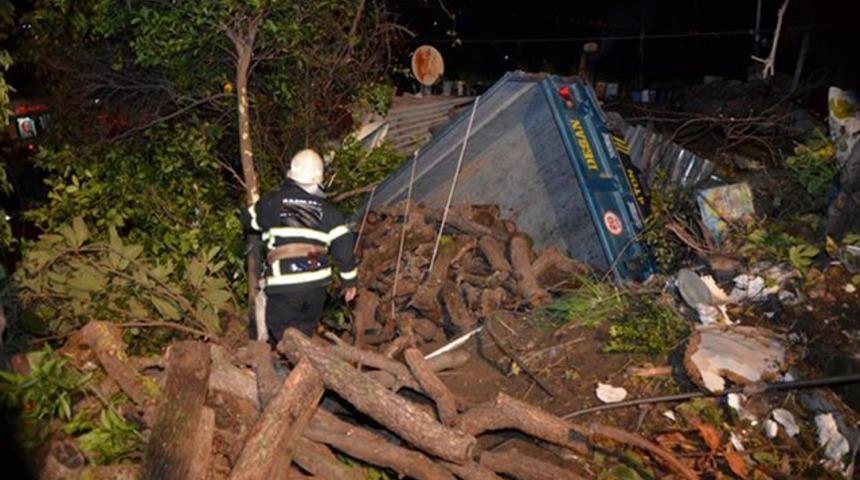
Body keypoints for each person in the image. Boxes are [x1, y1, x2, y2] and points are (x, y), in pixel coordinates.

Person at [241, 149, 357, 342]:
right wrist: (349, 283)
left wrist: (262, 212)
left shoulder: (273, 202)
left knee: (280, 334)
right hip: (317, 286)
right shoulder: (329, 211)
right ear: (319, 180)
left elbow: (247, 220)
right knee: (303, 333)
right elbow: (344, 251)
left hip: (284, 284)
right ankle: (302, 361)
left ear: (291, 174)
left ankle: (282, 366)